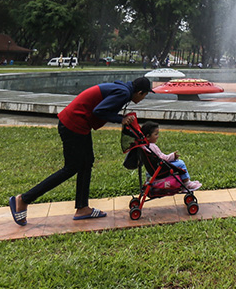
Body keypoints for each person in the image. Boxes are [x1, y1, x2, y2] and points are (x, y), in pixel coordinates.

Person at [9, 76, 152, 225]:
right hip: (73, 125)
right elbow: (99, 111)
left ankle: (82, 208)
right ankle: (23, 199)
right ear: (140, 92)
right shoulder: (124, 93)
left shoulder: (123, 89)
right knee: (71, 168)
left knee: (87, 162)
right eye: (145, 95)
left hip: (78, 125)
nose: (143, 98)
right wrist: (119, 119)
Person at [140, 120, 201, 191]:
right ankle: (187, 183)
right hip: (160, 169)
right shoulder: (152, 146)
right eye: (156, 134)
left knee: (178, 163)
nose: (158, 136)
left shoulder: (144, 146)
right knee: (181, 163)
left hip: (154, 168)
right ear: (147, 136)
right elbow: (162, 158)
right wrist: (173, 156)